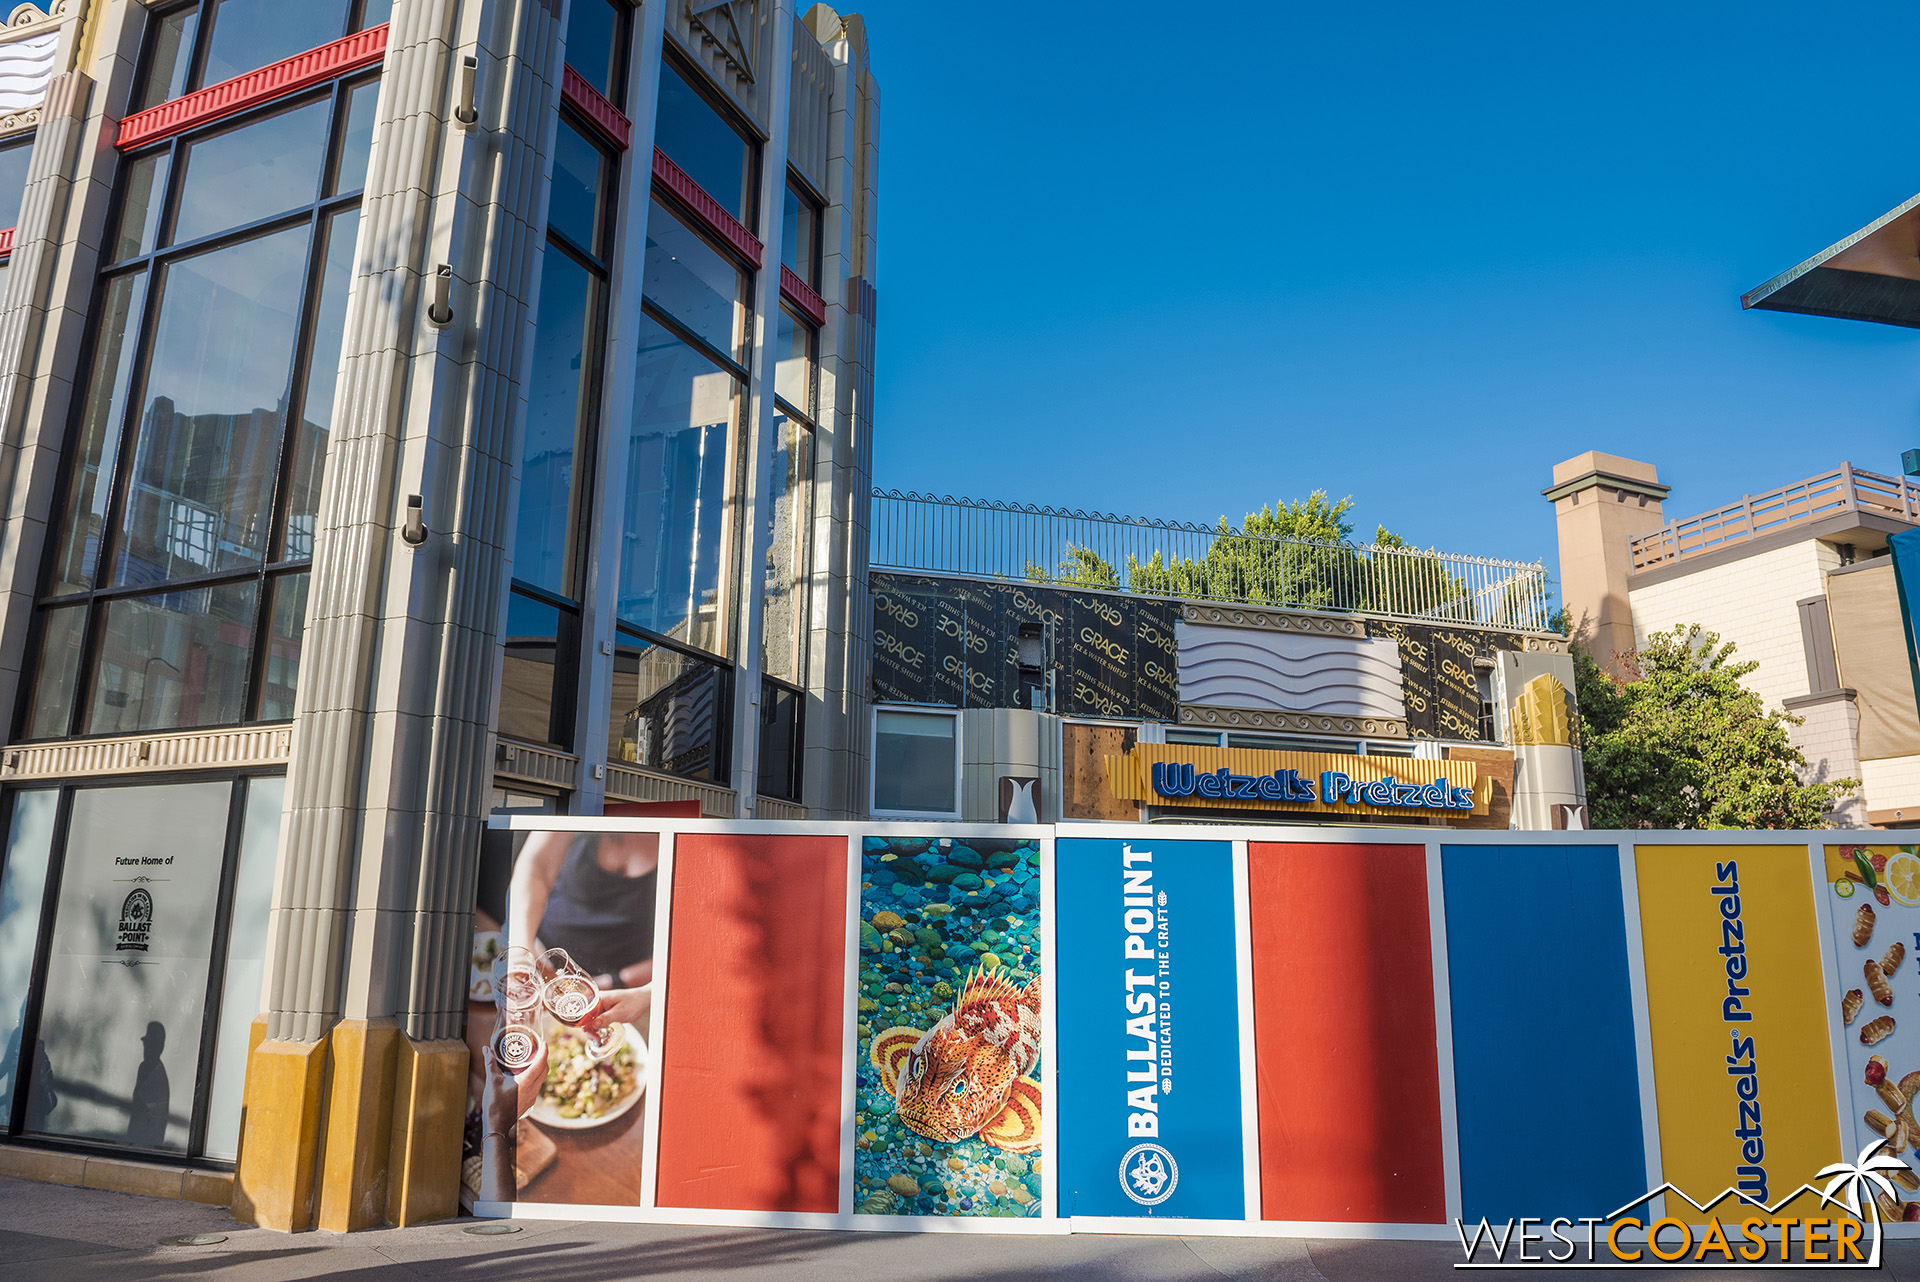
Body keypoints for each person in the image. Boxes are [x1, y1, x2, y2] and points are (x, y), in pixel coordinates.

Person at [507, 830, 655, 1029]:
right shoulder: (578, 804)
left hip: (630, 991)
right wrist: (521, 952)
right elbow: (536, 866)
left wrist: (614, 982)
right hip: (538, 955)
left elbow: (691, 950)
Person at [127, 1021, 169, 1148]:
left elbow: (152, 1118)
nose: (145, 1048)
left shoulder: (155, 1073)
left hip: (144, 1147)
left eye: (149, 1044)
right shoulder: (146, 1068)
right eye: (145, 1043)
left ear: (159, 1047)